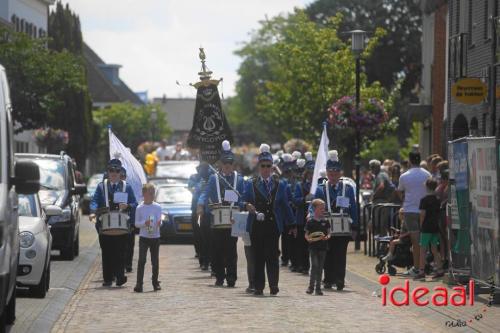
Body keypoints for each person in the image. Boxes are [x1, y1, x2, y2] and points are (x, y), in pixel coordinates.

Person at [243, 143, 297, 296]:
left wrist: (292, 223)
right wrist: (247, 205)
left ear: (273, 167)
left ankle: (274, 285)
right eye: (263, 166)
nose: (266, 169)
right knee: (258, 257)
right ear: (259, 167)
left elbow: (285, 206)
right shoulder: (251, 184)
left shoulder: (281, 185)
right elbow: (242, 201)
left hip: (273, 225)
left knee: (272, 257)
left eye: (268, 166)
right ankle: (259, 287)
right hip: (256, 225)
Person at [198, 141, 244, 287]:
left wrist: (242, 205)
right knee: (217, 249)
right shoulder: (214, 178)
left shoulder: (239, 179)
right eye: (225, 163)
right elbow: (204, 194)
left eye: (230, 163)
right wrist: (200, 205)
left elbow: (243, 196)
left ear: (233, 163)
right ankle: (219, 276)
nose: (227, 165)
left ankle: (231, 277)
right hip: (217, 219)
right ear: (220, 163)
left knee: (231, 250)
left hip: (232, 219)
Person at [311, 150, 357, 291]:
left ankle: (340, 280)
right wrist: (311, 215)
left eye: (336, 172)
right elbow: (314, 205)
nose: (333, 175)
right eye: (330, 172)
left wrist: (355, 227)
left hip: (342, 228)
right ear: (327, 172)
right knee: (327, 254)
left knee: (340, 255)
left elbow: (353, 208)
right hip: (326, 227)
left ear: (340, 173)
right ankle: (328, 279)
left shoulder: (347, 188)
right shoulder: (321, 189)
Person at [90, 159, 137, 287]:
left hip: (121, 224)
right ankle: (108, 278)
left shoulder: (126, 186)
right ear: (108, 172)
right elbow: (94, 201)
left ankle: (120, 277)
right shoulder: (101, 186)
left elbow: (134, 203)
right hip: (104, 224)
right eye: (111, 171)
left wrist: (127, 206)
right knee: (107, 252)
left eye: (117, 171)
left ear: (120, 172)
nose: (114, 173)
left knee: (120, 252)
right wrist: (93, 211)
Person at [397, 151, 431, 277]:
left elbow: (399, 191)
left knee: (415, 241)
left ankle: (417, 267)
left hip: (410, 210)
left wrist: (406, 200)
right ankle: (424, 265)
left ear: (410, 161)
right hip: (424, 210)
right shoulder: (427, 174)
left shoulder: (404, 176)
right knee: (425, 240)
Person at [134, 184, 162, 292]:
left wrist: (160, 222)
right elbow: (136, 223)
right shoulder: (139, 208)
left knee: (155, 262)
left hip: (155, 237)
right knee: (141, 260)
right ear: (144, 194)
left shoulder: (158, 207)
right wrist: (144, 223)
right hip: (144, 237)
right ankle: (139, 284)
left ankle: (155, 283)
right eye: (150, 193)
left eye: (153, 193)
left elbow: (160, 220)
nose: (152, 195)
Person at [414, 178, 444, 280]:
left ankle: (421, 271)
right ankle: (440, 269)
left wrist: (421, 226)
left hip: (426, 227)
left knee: (423, 249)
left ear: (426, 187)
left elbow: (422, 215)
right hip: (435, 227)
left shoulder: (424, 200)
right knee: (435, 250)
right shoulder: (437, 200)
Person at [293, 152, 315, 274]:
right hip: (302, 218)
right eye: (310, 173)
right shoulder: (299, 185)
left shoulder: (319, 186)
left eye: (313, 173)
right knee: (302, 245)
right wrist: (304, 199)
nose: (312, 175)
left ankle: (316, 267)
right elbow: (295, 200)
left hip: (315, 219)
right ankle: (304, 266)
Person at [304, 199, 331, 295]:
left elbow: (329, 233)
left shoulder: (326, 221)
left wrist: (326, 237)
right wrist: (308, 239)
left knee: (320, 268)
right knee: (314, 266)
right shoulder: (310, 222)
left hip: (323, 247)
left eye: (324, 208)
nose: (323, 210)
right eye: (321, 208)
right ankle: (311, 287)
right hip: (313, 247)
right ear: (315, 209)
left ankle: (318, 288)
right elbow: (306, 234)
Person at [279, 153, 296, 270]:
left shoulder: (296, 181)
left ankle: (292, 258)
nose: (288, 173)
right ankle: (285, 257)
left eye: (290, 171)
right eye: (286, 171)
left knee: (292, 238)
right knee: (285, 236)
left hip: (294, 210)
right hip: (284, 213)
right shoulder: (282, 181)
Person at [121, 167, 136, 273]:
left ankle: (128, 264)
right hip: (115, 221)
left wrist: (128, 206)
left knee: (129, 244)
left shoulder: (128, 187)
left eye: (123, 176)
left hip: (128, 220)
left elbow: (134, 203)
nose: (121, 178)